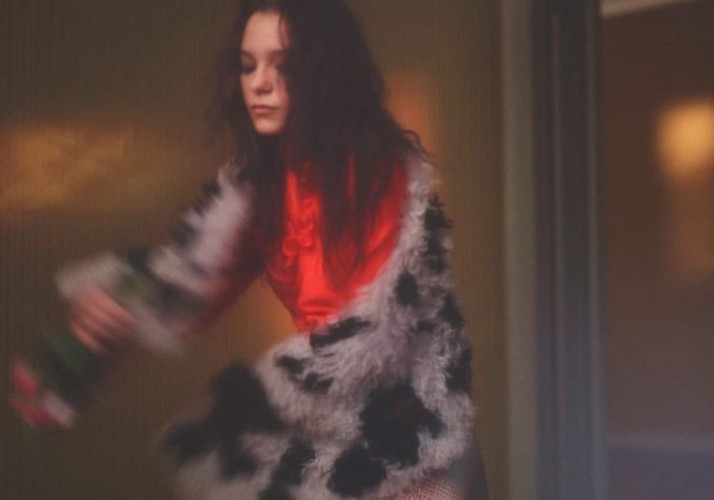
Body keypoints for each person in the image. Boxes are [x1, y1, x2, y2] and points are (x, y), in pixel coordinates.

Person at [58, 0, 477, 498]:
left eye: (284, 65)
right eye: (247, 65)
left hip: (410, 441)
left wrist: (252, 408)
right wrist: (117, 311)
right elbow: (192, 280)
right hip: (328, 435)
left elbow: (377, 342)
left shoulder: (379, 171)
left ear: (326, 71)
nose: (259, 83)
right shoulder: (257, 185)